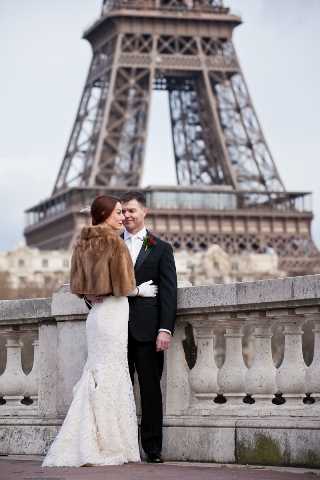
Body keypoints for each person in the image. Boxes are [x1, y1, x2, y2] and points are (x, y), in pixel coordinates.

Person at [42, 195, 157, 467]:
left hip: (96, 316)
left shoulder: (82, 242)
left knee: (97, 373)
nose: (122, 217)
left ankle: (88, 436)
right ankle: (108, 442)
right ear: (105, 214)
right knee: (112, 375)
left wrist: (92, 293)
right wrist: (141, 290)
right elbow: (123, 287)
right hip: (115, 314)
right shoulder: (114, 242)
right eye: (117, 212)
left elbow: (77, 286)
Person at [121, 191, 177, 464]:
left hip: (147, 331)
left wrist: (165, 329)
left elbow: (169, 292)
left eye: (132, 210)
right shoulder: (110, 245)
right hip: (114, 329)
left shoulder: (162, 248)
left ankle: (152, 448)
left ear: (145, 212)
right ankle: (121, 445)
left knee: (151, 391)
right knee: (118, 390)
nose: (127, 215)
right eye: (123, 211)